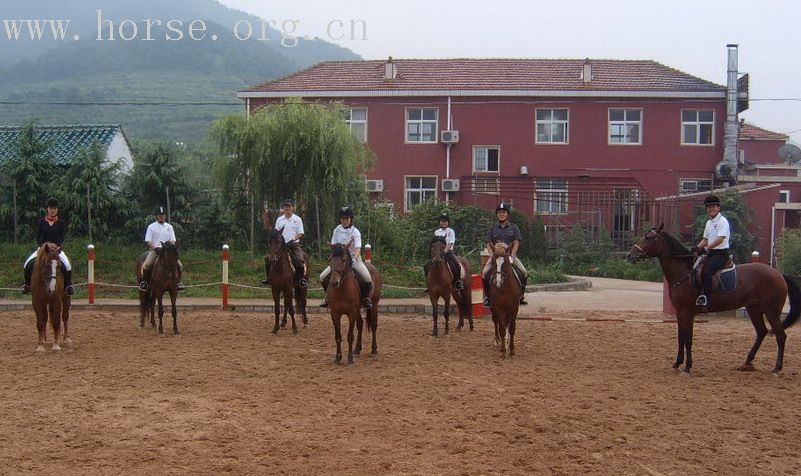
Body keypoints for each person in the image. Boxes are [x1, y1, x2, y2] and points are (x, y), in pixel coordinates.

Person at [319, 206, 373, 309]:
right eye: (342, 219)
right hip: (339, 261)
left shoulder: (355, 232)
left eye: (346, 219)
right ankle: (328, 297)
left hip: (354, 259)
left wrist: (354, 258)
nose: (344, 221)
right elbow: (334, 246)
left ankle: (366, 299)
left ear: (350, 219)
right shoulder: (337, 230)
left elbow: (357, 248)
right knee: (322, 276)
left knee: (367, 277)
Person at [22, 197, 74, 295]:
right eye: (51, 208)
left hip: (56, 249)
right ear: (48, 209)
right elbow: (38, 236)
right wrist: (43, 246)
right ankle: (27, 284)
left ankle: (68, 286)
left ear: (57, 210)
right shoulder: (41, 222)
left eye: (54, 208)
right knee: (27, 264)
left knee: (67, 265)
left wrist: (56, 246)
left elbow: (61, 237)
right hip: (43, 249)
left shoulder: (61, 222)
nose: (53, 210)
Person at [482, 202, 528, 307]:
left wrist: (512, 256)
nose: (501, 214)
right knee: (484, 273)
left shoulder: (514, 227)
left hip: (509, 255)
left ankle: (521, 296)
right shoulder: (492, 228)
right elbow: (488, 243)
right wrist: (491, 255)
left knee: (524, 272)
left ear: (507, 214)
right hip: (496, 256)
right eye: (499, 212)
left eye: (503, 212)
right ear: (497, 214)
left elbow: (516, 243)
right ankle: (488, 297)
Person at [693, 195, 731, 307]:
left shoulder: (722, 221)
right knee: (696, 269)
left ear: (718, 208)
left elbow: (720, 239)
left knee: (707, 271)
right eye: (709, 207)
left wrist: (706, 248)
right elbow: (705, 239)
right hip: (711, 253)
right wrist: (696, 248)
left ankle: (706, 298)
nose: (711, 209)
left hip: (721, 254)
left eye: (713, 207)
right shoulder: (709, 223)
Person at [262, 199, 308, 288]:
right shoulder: (279, 219)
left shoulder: (297, 219)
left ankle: (300, 279)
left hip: (294, 244)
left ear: (292, 208)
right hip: (280, 245)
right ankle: (269, 278)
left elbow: (301, 233)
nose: (287, 208)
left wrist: (293, 239)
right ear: (283, 208)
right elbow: (276, 232)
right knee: (268, 259)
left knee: (299, 260)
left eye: (289, 206)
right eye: (285, 206)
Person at [139, 206, 184, 292]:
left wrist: (170, 248)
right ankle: (145, 283)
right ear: (156, 216)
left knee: (180, 265)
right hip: (156, 250)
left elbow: (173, 240)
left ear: (165, 216)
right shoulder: (151, 227)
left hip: (167, 251)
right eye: (160, 215)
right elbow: (148, 240)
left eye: (163, 215)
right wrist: (155, 248)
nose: (162, 216)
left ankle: (178, 283)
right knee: (147, 264)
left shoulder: (169, 227)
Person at [423, 213, 464, 290]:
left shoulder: (451, 231)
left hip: (448, 253)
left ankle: (457, 282)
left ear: (448, 222)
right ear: (440, 222)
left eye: (445, 221)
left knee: (456, 265)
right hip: (437, 253)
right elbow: (434, 243)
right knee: (426, 266)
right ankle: (429, 283)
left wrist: (445, 251)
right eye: (442, 221)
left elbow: (451, 242)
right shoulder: (436, 232)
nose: (444, 223)